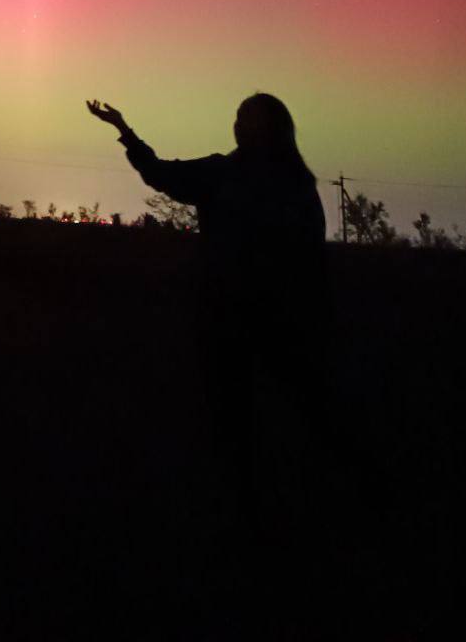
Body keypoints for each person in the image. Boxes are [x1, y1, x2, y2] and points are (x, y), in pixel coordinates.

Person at [86, 93, 329, 524]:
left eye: (246, 119)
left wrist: (125, 132)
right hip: (261, 322)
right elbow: (162, 173)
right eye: (237, 117)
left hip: (245, 321)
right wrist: (124, 130)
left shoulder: (231, 175)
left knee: (250, 422)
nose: (237, 125)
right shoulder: (287, 182)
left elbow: (161, 174)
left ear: (267, 129)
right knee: (260, 421)